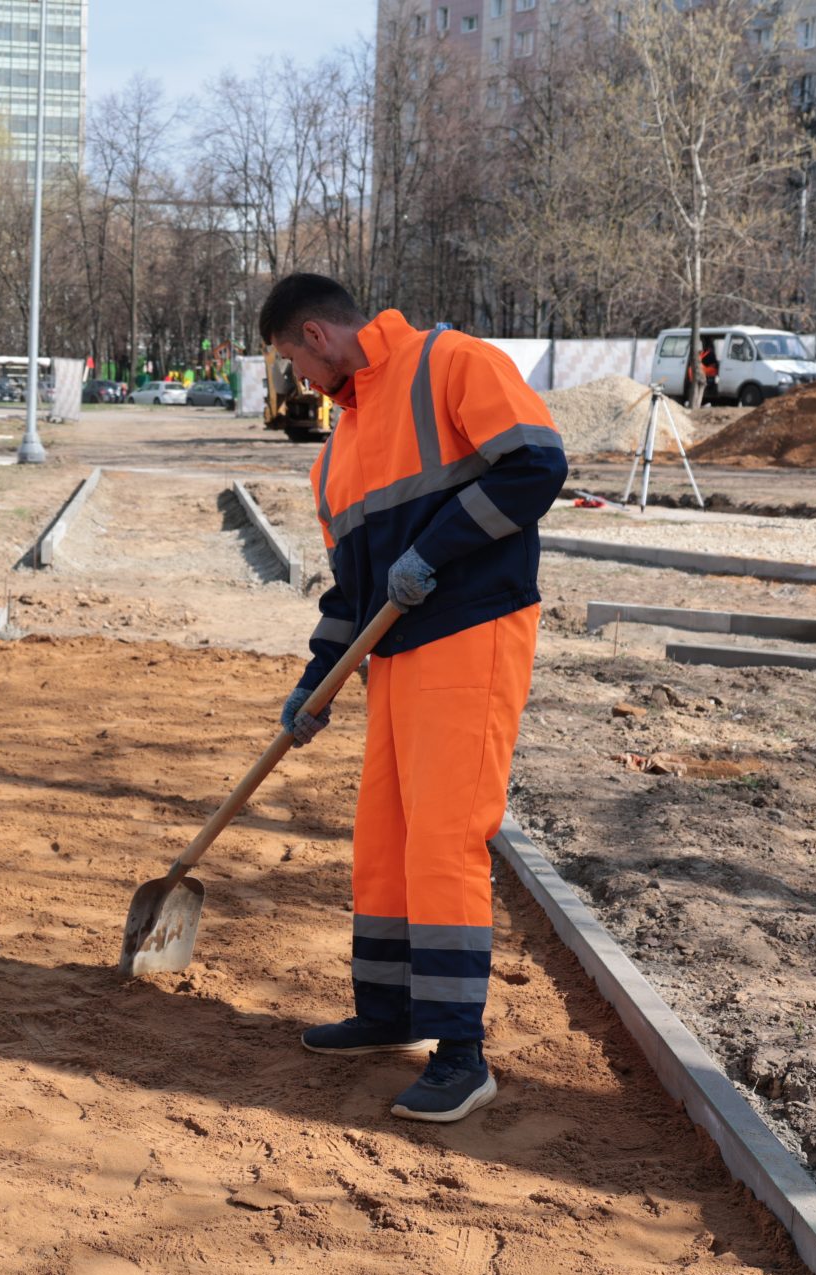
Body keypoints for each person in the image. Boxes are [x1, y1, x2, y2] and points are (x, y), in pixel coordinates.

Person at [258, 273, 565, 1124]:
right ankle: (387, 1009)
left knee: (444, 839)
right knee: (384, 839)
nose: (299, 383)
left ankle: (461, 1054)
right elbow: (350, 596)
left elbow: (536, 464)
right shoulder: (337, 451)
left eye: (291, 362)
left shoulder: (450, 363)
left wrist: (438, 547)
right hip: (393, 659)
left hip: (471, 633)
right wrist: (312, 685)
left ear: (316, 336)